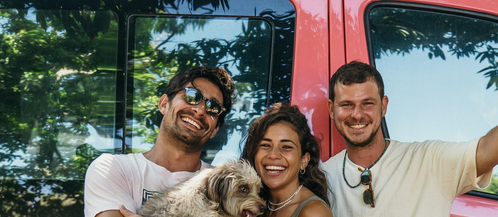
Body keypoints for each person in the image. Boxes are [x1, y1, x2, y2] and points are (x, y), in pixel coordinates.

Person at [322, 60, 498, 216]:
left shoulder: (428, 160)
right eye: (347, 105)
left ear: (384, 106)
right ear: (332, 109)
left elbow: (486, 151)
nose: (357, 114)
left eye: (367, 104)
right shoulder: (322, 178)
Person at [84, 66, 236, 217]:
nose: (200, 110)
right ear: (164, 104)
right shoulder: (114, 168)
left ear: (215, 129)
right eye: (192, 96)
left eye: (213, 107)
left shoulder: (224, 186)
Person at [241, 103, 332, 217]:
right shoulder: (254, 206)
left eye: (286, 147)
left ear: (304, 160)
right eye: (265, 145)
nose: (273, 155)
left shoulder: (313, 213)